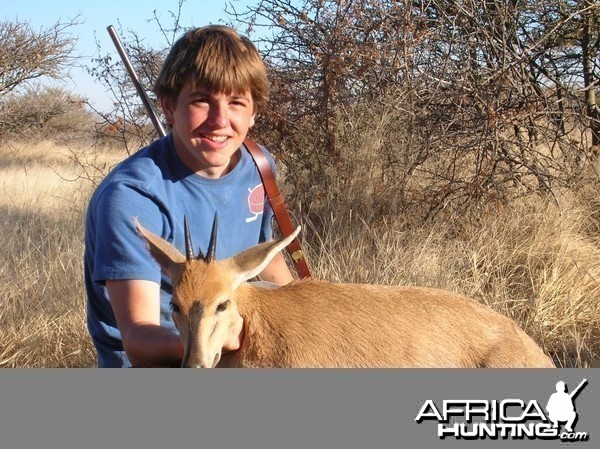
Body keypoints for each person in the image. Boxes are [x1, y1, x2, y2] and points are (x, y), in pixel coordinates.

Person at [84, 25, 294, 368]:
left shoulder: (258, 163)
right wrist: (211, 340)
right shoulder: (133, 196)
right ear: (168, 108)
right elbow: (138, 339)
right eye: (201, 101)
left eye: (236, 102)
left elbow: (267, 261)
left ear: (254, 111)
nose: (219, 120)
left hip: (233, 352)